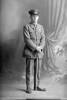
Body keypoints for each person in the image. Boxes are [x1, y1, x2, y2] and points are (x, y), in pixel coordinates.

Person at [23, 9, 46, 93]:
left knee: (38, 70)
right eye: (33, 16)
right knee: (29, 70)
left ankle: (37, 86)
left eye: (36, 16)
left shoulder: (41, 27)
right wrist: (36, 47)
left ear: (38, 17)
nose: (34, 18)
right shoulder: (26, 27)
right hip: (30, 51)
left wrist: (40, 47)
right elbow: (27, 40)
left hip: (39, 52)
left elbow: (43, 38)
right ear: (30, 17)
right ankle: (28, 87)